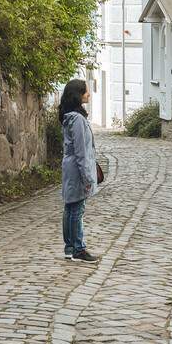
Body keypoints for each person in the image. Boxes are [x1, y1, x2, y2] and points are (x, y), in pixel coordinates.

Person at [58, 78, 99, 262]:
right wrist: (88, 178)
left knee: (70, 206)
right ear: (78, 95)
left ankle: (69, 248)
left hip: (70, 166)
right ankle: (78, 248)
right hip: (77, 168)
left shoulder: (69, 117)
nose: (88, 94)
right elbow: (82, 151)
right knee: (77, 209)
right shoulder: (78, 120)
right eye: (85, 91)